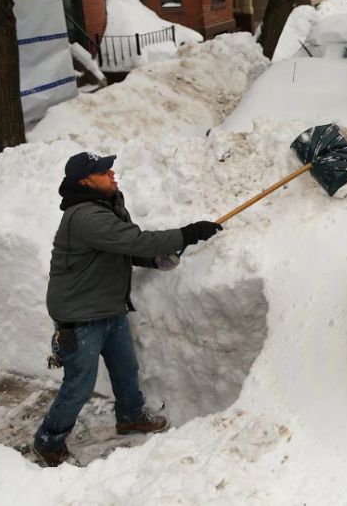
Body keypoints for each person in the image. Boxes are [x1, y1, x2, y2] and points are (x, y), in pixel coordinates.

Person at [33, 152, 222, 467]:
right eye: (103, 172)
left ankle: (131, 417)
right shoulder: (84, 216)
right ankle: (48, 441)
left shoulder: (109, 204)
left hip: (107, 304)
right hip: (79, 313)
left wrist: (152, 260)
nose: (112, 174)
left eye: (110, 169)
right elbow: (134, 240)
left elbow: (120, 248)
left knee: (125, 367)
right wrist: (187, 233)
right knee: (79, 384)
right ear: (84, 182)